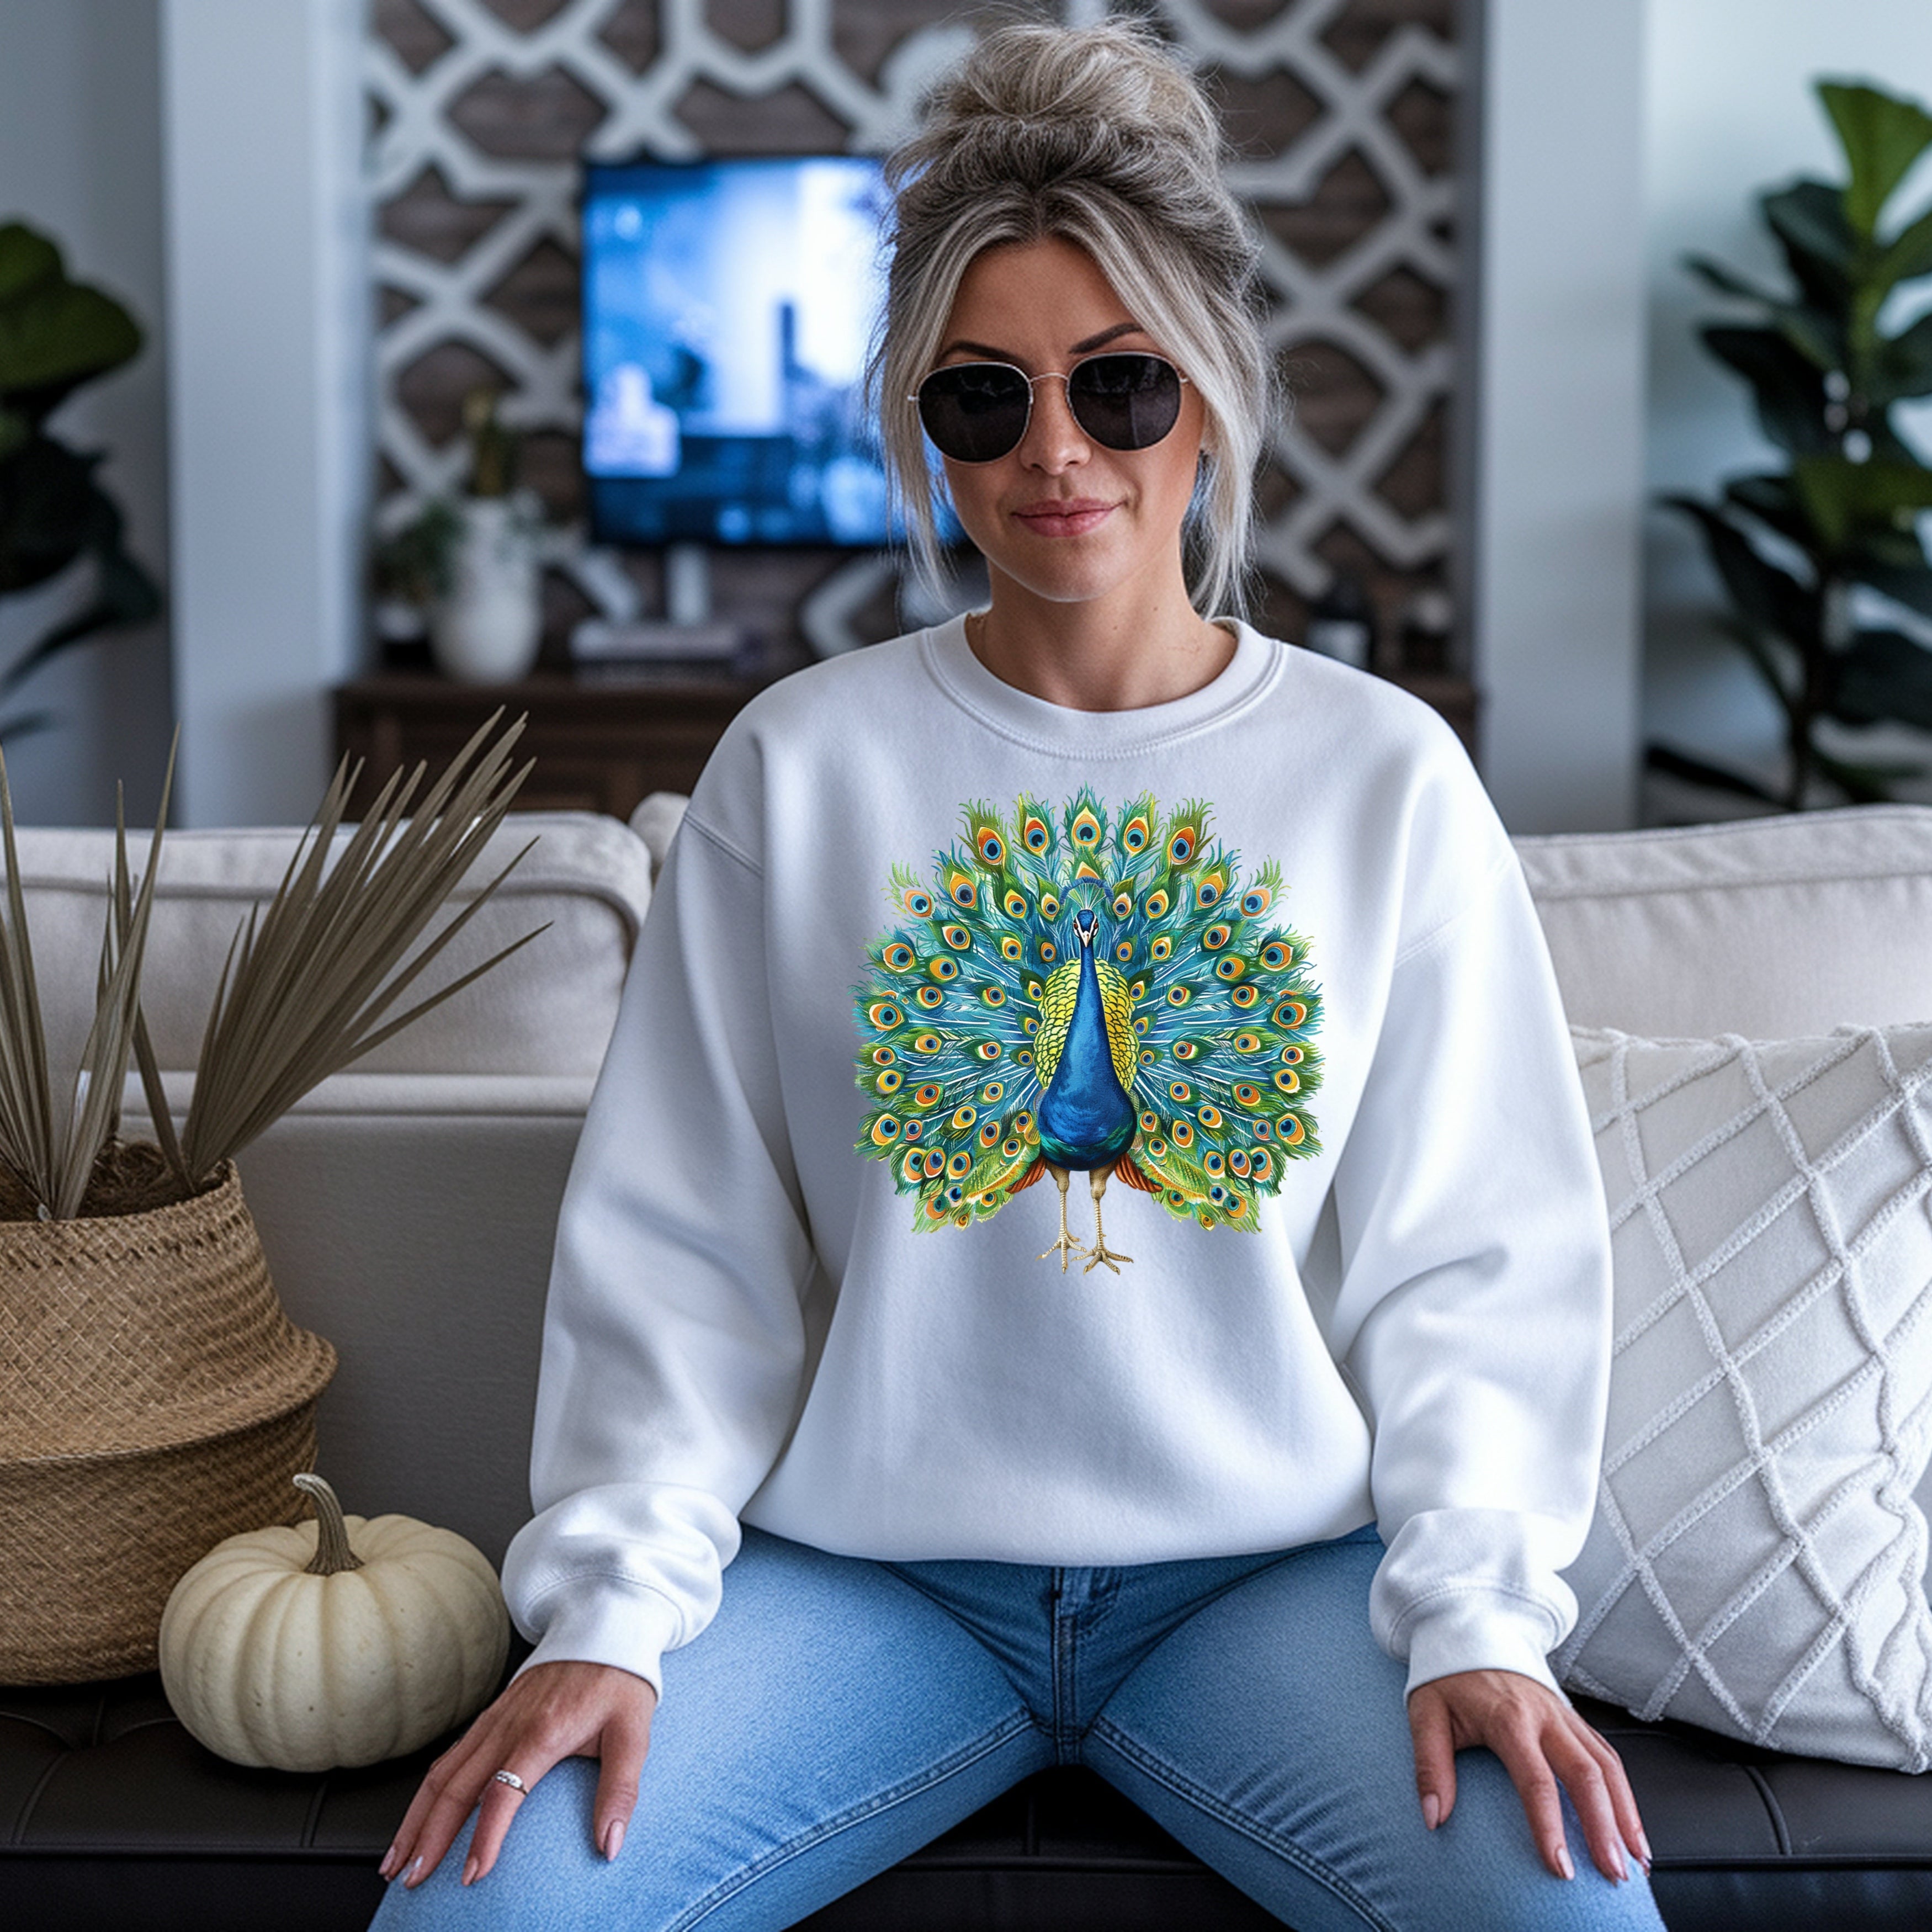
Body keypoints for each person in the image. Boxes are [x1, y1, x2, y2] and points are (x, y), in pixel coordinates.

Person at [371, 18, 1663, 1930]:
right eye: (983, 401)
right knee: (491, 1906)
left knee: (1565, 1914)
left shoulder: (1382, 775)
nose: (1054, 449)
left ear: (1209, 398)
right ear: (921, 430)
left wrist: (1476, 1617)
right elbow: (683, 1249)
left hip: (1272, 1583)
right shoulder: (797, 771)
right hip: (867, 1588)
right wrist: (613, 1622)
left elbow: (1473, 1257)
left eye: (1120, 387)